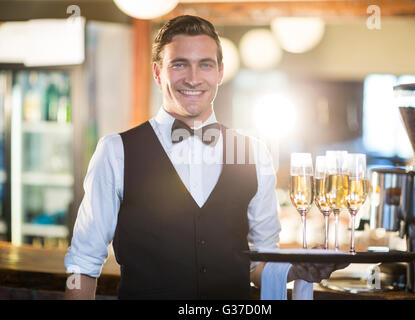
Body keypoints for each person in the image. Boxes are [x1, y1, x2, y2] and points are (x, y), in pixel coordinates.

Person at [64, 15, 347, 300]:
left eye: (205, 64)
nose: (193, 78)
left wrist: (298, 271)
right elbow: (83, 264)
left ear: (220, 73)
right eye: (179, 64)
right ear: (158, 72)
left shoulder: (253, 152)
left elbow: (257, 264)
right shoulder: (116, 151)